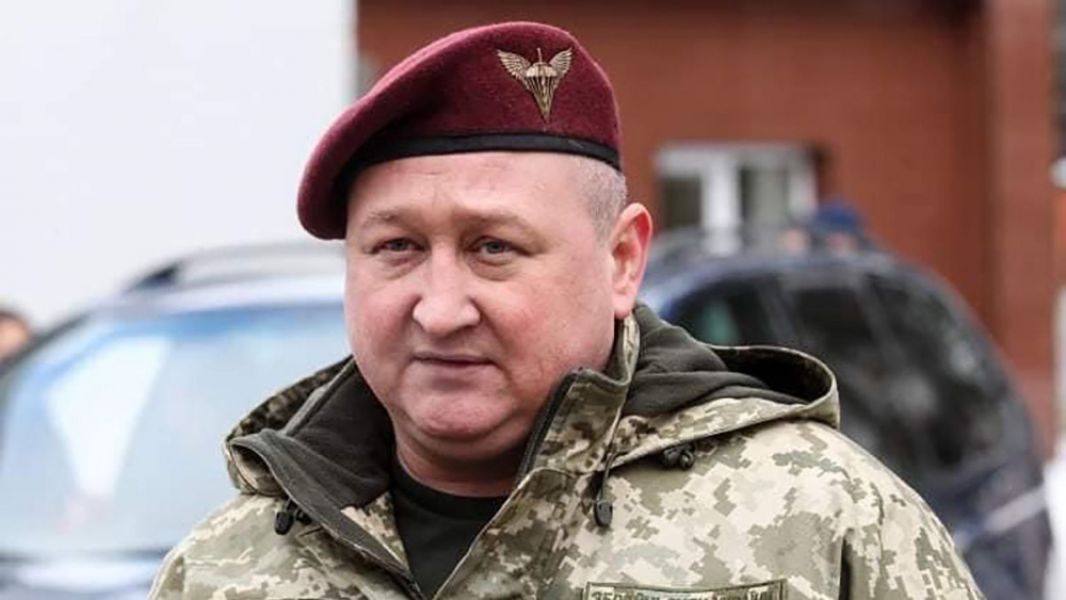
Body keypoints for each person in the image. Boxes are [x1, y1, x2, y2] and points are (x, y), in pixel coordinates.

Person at [151, 22, 983, 599]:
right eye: (396, 248)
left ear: (622, 262)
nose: (439, 310)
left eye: (493, 248)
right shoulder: (225, 571)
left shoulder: (816, 522)